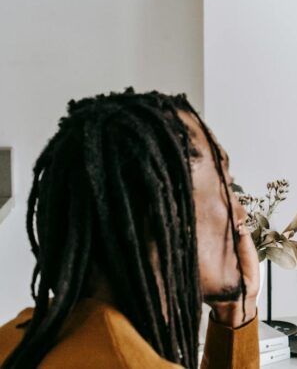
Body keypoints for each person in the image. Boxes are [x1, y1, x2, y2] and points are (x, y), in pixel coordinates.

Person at [0, 89, 260, 368]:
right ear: (162, 211)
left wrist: (237, 309)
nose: (241, 214)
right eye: (226, 187)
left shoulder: (19, 339)